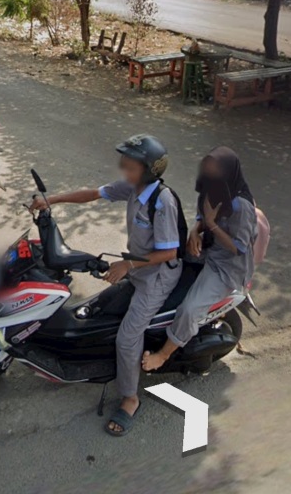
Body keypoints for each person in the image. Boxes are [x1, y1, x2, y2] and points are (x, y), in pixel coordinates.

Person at [30, 134, 182, 437]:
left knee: (127, 338)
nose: (124, 168)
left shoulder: (162, 202)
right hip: (138, 270)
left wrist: (128, 265)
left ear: (149, 170)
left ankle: (130, 399)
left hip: (157, 278)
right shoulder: (133, 187)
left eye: (131, 165)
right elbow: (94, 193)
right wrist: (51, 200)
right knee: (98, 309)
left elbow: (169, 252)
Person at [142, 145, 257, 373]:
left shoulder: (241, 206)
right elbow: (201, 217)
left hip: (226, 266)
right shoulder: (210, 188)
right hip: (206, 249)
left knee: (189, 309)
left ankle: (163, 355)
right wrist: (196, 231)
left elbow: (239, 248)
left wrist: (212, 225)